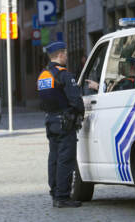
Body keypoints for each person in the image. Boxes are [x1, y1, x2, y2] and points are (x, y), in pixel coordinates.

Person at [37, 41, 84, 208]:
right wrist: (80, 114)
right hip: (65, 122)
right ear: (60, 54)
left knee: (54, 158)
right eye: (65, 53)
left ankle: (55, 193)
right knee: (66, 159)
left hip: (50, 121)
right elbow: (76, 100)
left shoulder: (43, 75)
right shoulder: (64, 75)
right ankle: (63, 196)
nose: (66, 56)